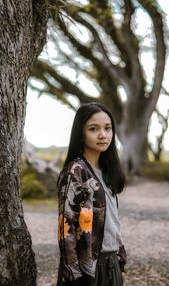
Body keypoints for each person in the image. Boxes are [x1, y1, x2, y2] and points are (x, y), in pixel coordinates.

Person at [57, 102, 127, 286]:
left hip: (111, 262)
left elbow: (113, 221)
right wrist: (74, 276)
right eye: (93, 129)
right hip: (87, 269)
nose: (103, 135)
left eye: (108, 128)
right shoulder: (75, 172)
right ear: (81, 133)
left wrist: (120, 260)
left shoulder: (107, 171)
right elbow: (66, 229)